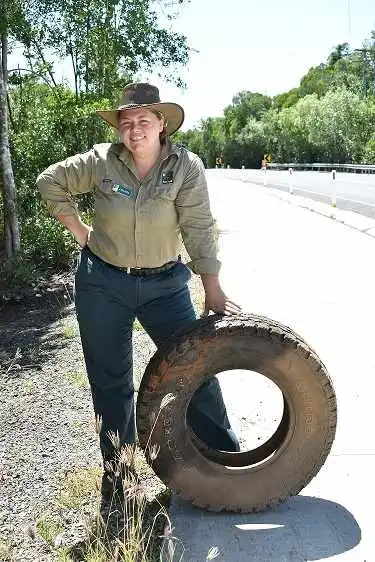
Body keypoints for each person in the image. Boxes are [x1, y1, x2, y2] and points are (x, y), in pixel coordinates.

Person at [37, 82, 241, 497]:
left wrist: (212, 286)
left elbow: (198, 227)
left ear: (162, 123)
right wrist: (81, 232)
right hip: (103, 283)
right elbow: (49, 181)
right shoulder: (101, 161)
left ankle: (225, 461)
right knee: (110, 381)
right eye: (126, 122)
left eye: (143, 121)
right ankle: (120, 473)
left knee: (193, 367)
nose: (134, 130)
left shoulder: (185, 166)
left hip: (165, 285)